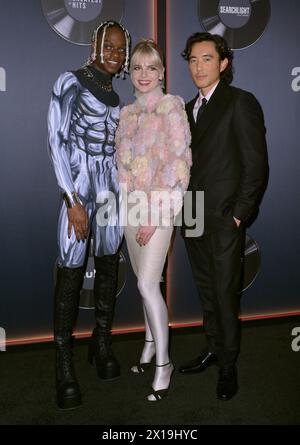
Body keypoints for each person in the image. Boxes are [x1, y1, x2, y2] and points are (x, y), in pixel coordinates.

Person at [179, 32, 268, 400]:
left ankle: (228, 364)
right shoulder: (185, 109)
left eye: (206, 59)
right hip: (193, 215)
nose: (198, 67)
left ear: (223, 63)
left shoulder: (240, 102)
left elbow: (256, 165)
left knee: (225, 293)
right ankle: (214, 348)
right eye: (193, 60)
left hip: (223, 217)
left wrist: (238, 215)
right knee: (206, 291)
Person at [48, 20, 131, 410]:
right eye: (108, 46)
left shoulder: (119, 96)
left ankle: (101, 343)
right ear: (95, 46)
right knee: (70, 267)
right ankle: (63, 361)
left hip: (109, 187)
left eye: (120, 48)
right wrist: (71, 199)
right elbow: (57, 139)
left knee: (110, 262)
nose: (114, 54)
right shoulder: (70, 81)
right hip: (78, 187)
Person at [116, 39, 192, 402]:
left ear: (162, 72)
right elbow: (122, 167)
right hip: (130, 210)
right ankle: (148, 342)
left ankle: (164, 363)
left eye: (152, 67)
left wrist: (155, 215)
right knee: (143, 282)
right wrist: (127, 209)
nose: (144, 75)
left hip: (159, 212)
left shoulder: (171, 108)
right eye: (137, 68)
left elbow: (179, 168)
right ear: (130, 73)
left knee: (147, 284)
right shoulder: (127, 114)